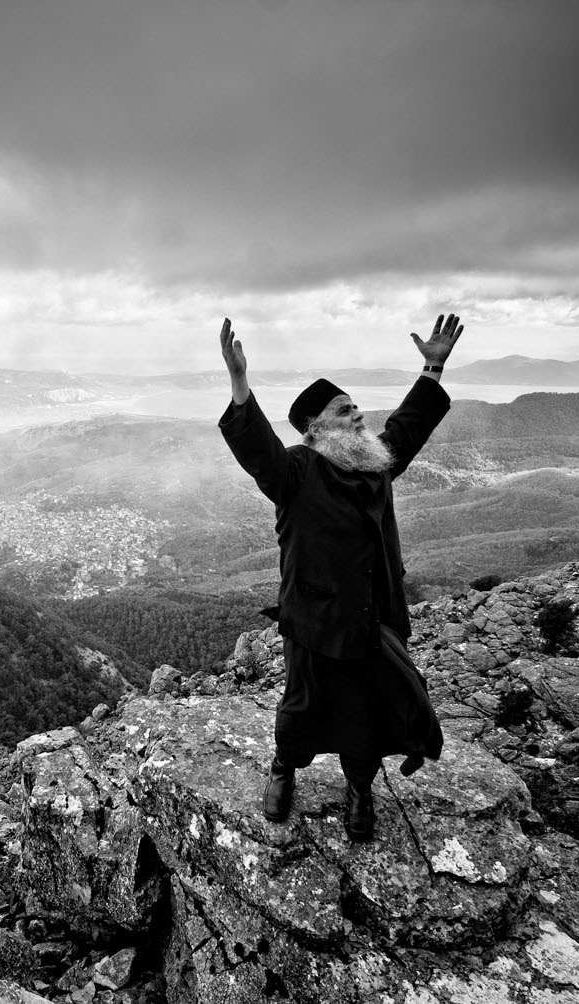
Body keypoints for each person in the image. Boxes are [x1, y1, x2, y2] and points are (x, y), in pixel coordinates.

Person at [217, 313, 464, 841]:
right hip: (315, 618)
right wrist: (241, 386)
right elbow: (258, 450)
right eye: (343, 409)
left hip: (375, 617)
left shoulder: (373, 462)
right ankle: (284, 769)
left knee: (367, 709)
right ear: (316, 429)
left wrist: (433, 367)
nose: (358, 415)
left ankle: (360, 788)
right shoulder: (296, 472)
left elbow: (409, 423)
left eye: (355, 406)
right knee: (303, 705)